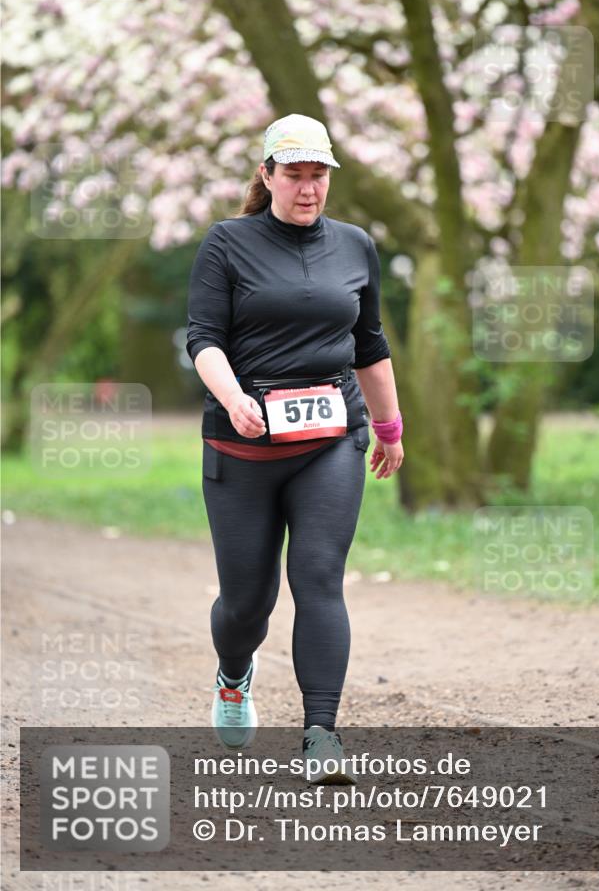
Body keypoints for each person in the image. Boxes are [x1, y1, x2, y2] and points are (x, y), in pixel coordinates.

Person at [186, 113, 404, 783]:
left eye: (319, 175)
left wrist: (389, 427)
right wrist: (234, 399)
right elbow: (204, 339)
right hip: (244, 442)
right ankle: (232, 675)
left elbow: (368, 344)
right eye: (295, 175)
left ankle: (320, 736)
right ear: (267, 175)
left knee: (317, 580)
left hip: (330, 438)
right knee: (246, 601)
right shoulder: (227, 244)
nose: (308, 189)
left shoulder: (354, 246)